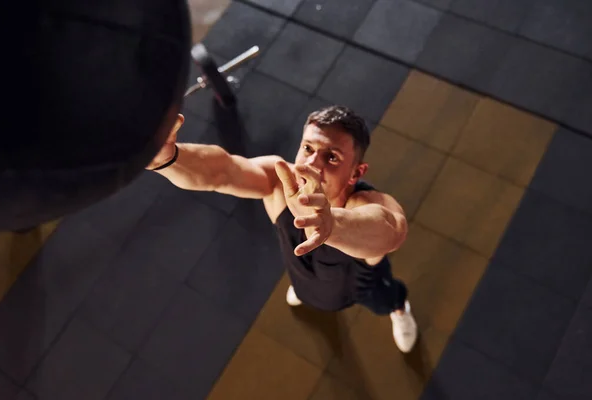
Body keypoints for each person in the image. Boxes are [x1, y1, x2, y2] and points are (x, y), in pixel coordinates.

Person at [147, 105, 418, 353]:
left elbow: (391, 230)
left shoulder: (362, 202)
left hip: (361, 289)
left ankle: (399, 309)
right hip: (305, 280)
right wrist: (168, 159)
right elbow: (223, 171)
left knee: (387, 300)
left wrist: (332, 224)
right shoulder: (279, 182)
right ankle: (306, 290)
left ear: (356, 173)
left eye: (332, 157)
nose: (312, 165)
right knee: (304, 286)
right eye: (308, 148)